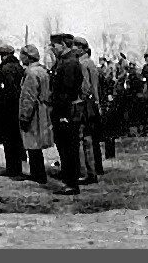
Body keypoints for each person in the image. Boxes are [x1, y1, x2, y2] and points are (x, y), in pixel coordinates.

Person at [50, 33, 84, 195]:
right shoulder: (63, 62)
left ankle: (71, 183)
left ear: (63, 44)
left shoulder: (69, 63)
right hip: (62, 111)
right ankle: (69, 179)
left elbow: (67, 91)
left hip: (66, 112)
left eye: (54, 45)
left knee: (68, 148)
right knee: (65, 148)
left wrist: (63, 114)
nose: (52, 48)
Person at [18, 45, 53, 184]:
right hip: (43, 109)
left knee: (32, 143)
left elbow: (28, 97)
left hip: (34, 111)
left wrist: (24, 116)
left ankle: (37, 174)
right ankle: (38, 173)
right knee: (37, 142)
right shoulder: (43, 71)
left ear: (27, 56)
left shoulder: (31, 73)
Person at [0, 44, 26, 178]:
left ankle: (12, 169)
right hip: (17, 107)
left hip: (7, 108)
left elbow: (6, 90)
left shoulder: (5, 69)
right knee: (17, 139)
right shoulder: (19, 67)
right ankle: (16, 167)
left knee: (9, 140)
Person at [75, 37, 103, 183]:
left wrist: (78, 100)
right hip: (92, 104)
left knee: (81, 139)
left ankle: (85, 173)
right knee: (89, 139)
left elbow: (85, 87)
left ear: (81, 48)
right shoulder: (90, 63)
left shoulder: (82, 64)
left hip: (84, 105)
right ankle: (92, 171)